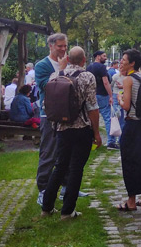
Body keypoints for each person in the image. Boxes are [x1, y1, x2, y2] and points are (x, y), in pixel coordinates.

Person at [40, 47, 102, 220]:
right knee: (76, 169)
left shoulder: (56, 76)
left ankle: (47, 207)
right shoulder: (87, 77)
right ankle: (67, 211)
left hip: (61, 128)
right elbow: (92, 107)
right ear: (84, 60)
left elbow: (47, 104)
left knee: (60, 166)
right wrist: (96, 133)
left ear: (67, 58)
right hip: (81, 128)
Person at [116, 48, 141, 211]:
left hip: (133, 124)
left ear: (132, 63)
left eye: (124, 59)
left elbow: (126, 106)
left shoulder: (128, 80)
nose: (122, 62)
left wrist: (119, 98)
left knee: (131, 161)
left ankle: (131, 201)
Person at [34, 33, 70, 203]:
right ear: (51, 46)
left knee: (66, 152)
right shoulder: (42, 65)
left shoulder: (69, 62)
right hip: (48, 114)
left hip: (68, 114)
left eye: (65, 46)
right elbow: (45, 86)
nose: (63, 49)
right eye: (59, 46)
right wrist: (62, 70)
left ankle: (66, 187)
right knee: (48, 152)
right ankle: (43, 189)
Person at [86, 50, 116, 149]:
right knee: (108, 118)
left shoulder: (89, 67)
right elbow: (106, 82)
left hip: (91, 95)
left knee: (91, 119)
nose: (106, 58)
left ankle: (91, 140)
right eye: (104, 56)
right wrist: (111, 95)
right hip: (102, 95)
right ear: (98, 56)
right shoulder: (102, 67)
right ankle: (111, 142)